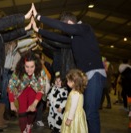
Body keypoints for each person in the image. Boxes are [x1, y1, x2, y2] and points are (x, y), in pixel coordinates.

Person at [31, 3, 106, 133]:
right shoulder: (75, 37)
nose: (64, 32)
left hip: (94, 74)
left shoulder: (84, 28)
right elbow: (58, 38)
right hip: (86, 77)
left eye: (66, 27)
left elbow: (62, 28)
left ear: (70, 23)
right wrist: (39, 31)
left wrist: (39, 17)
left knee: (91, 113)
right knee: (86, 111)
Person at [0, 38, 39, 130]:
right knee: (0, 96)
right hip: (3, 72)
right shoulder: (5, 47)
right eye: (14, 42)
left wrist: (33, 42)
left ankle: (0, 118)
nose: (16, 44)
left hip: (8, 72)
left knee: (4, 97)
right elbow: (22, 44)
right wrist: (33, 39)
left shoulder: (14, 49)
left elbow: (23, 44)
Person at [7, 51, 47, 133]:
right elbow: (11, 86)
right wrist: (11, 103)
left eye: (32, 67)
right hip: (21, 90)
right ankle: (23, 131)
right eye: (27, 67)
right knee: (22, 111)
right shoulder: (18, 72)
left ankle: (29, 124)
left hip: (34, 90)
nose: (29, 70)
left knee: (32, 110)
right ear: (23, 65)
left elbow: (41, 89)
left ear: (36, 65)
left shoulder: (40, 72)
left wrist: (34, 104)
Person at [61, 69, 88, 133]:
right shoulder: (78, 92)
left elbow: (73, 107)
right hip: (76, 114)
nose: (67, 83)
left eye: (68, 81)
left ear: (74, 82)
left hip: (73, 116)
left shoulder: (75, 94)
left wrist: (69, 118)